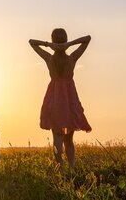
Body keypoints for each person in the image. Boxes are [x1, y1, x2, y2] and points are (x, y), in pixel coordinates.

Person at [29, 29, 92, 170]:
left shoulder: (49, 58)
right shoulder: (72, 58)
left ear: (53, 40)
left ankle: (60, 168)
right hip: (69, 100)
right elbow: (87, 38)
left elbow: (32, 43)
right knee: (69, 140)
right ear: (65, 39)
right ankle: (71, 168)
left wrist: (48, 44)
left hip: (54, 99)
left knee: (57, 138)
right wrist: (69, 44)